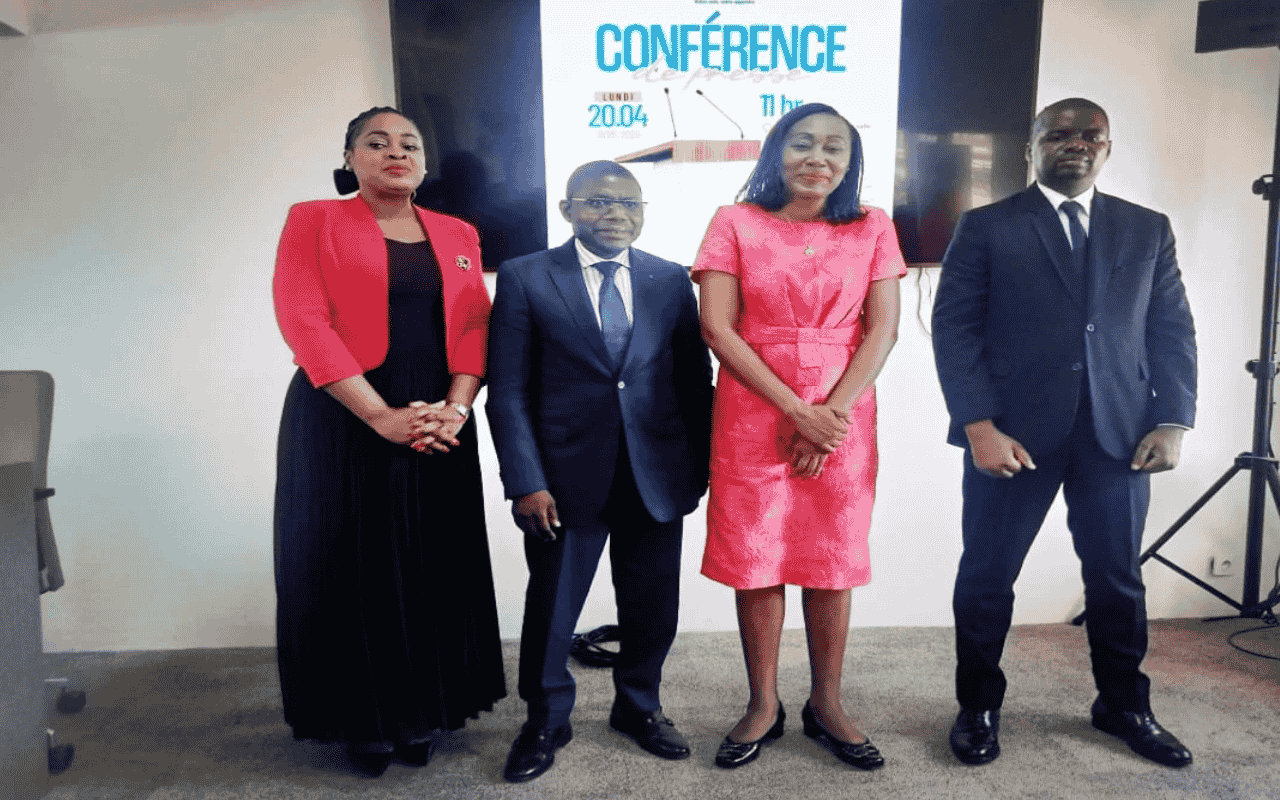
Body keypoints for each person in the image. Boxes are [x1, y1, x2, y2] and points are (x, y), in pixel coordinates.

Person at [932, 97, 1197, 769]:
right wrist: (979, 426)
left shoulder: (1147, 228)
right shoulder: (986, 226)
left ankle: (1124, 705)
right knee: (988, 575)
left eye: (1091, 135)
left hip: (1119, 435)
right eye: (1059, 134)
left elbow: (1170, 327)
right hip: (1012, 437)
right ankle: (977, 706)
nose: (1075, 143)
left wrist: (1173, 420)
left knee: (1118, 579)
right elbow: (955, 330)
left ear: (1107, 148)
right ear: (1033, 147)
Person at [272, 107, 505, 777]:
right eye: (376, 143)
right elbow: (304, 320)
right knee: (350, 566)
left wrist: (457, 408)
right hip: (342, 415)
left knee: (434, 562)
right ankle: (363, 719)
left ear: (425, 162)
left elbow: (473, 326)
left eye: (409, 144)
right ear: (350, 157)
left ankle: (424, 709)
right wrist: (378, 415)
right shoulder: (314, 219)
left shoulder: (458, 232)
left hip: (437, 418)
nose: (396, 152)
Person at [693, 102, 905, 771]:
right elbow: (717, 327)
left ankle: (827, 702)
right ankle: (763, 702)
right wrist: (794, 409)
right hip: (754, 409)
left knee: (832, 555)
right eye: (802, 143)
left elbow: (883, 329)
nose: (818, 158)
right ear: (775, 153)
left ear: (850, 161)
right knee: (755, 555)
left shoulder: (873, 225)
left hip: (845, 409)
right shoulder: (734, 221)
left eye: (834, 147)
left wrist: (829, 417)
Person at [486, 160, 713, 783]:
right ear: (568, 210)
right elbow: (508, 390)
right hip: (562, 480)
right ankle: (546, 719)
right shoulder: (527, 276)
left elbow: (694, 382)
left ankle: (639, 706)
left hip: (656, 474)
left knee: (652, 605)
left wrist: (698, 469)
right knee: (553, 607)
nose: (616, 214)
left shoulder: (669, 279)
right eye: (599, 202)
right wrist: (526, 480)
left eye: (630, 204)